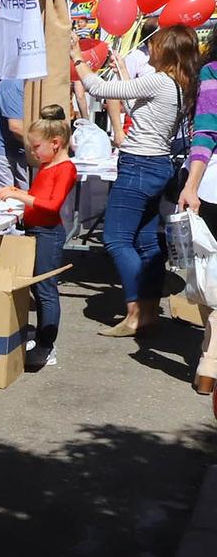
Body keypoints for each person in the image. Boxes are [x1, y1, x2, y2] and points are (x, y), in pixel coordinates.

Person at [79, 25, 199, 337]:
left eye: (154, 46)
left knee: (117, 239)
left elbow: (97, 89)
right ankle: (147, 312)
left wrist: (77, 59)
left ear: (165, 51)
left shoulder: (159, 81)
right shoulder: (177, 84)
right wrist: (125, 78)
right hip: (157, 166)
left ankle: (134, 312)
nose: (150, 51)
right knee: (147, 243)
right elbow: (140, 111)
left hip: (139, 166)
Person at [0, 109, 77, 372]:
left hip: (48, 233)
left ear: (56, 143)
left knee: (45, 290)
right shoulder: (48, 165)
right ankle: (41, 339)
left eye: (37, 146)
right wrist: (20, 198)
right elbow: (39, 197)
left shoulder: (65, 168)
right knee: (38, 290)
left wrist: (20, 196)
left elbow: (52, 205)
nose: (34, 152)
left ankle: (46, 345)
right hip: (37, 230)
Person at [187, 45, 217, 394]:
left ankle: (210, 361)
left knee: (212, 276)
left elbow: (206, 131)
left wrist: (191, 185)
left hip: (213, 186)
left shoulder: (212, 73)